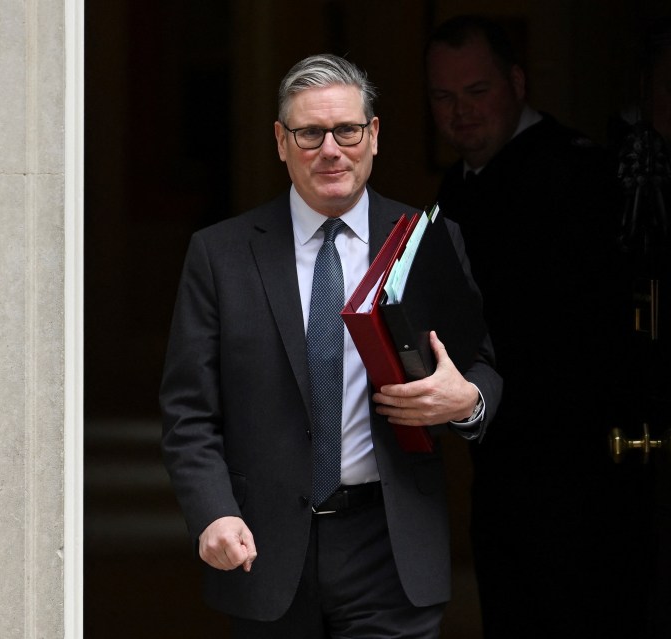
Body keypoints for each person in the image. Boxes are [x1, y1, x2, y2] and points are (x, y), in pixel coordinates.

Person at [160, 53, 502, 638]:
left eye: (347, 130)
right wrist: (212, 511)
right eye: (310, 133)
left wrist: (466, 401)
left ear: (374, 135)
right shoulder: (220, 255)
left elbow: (481, 365)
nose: (331, 150)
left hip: (391, 547)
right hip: (263, 548)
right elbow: (188, 411)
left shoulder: (427, 240)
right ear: (280, 141)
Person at [425, 14, 636, 638]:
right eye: (443, 97)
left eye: (477, 91)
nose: (461, 112)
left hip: (578, 477)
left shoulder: (579, 176)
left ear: (517, 83)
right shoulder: (456, 188)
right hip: (498, 470)